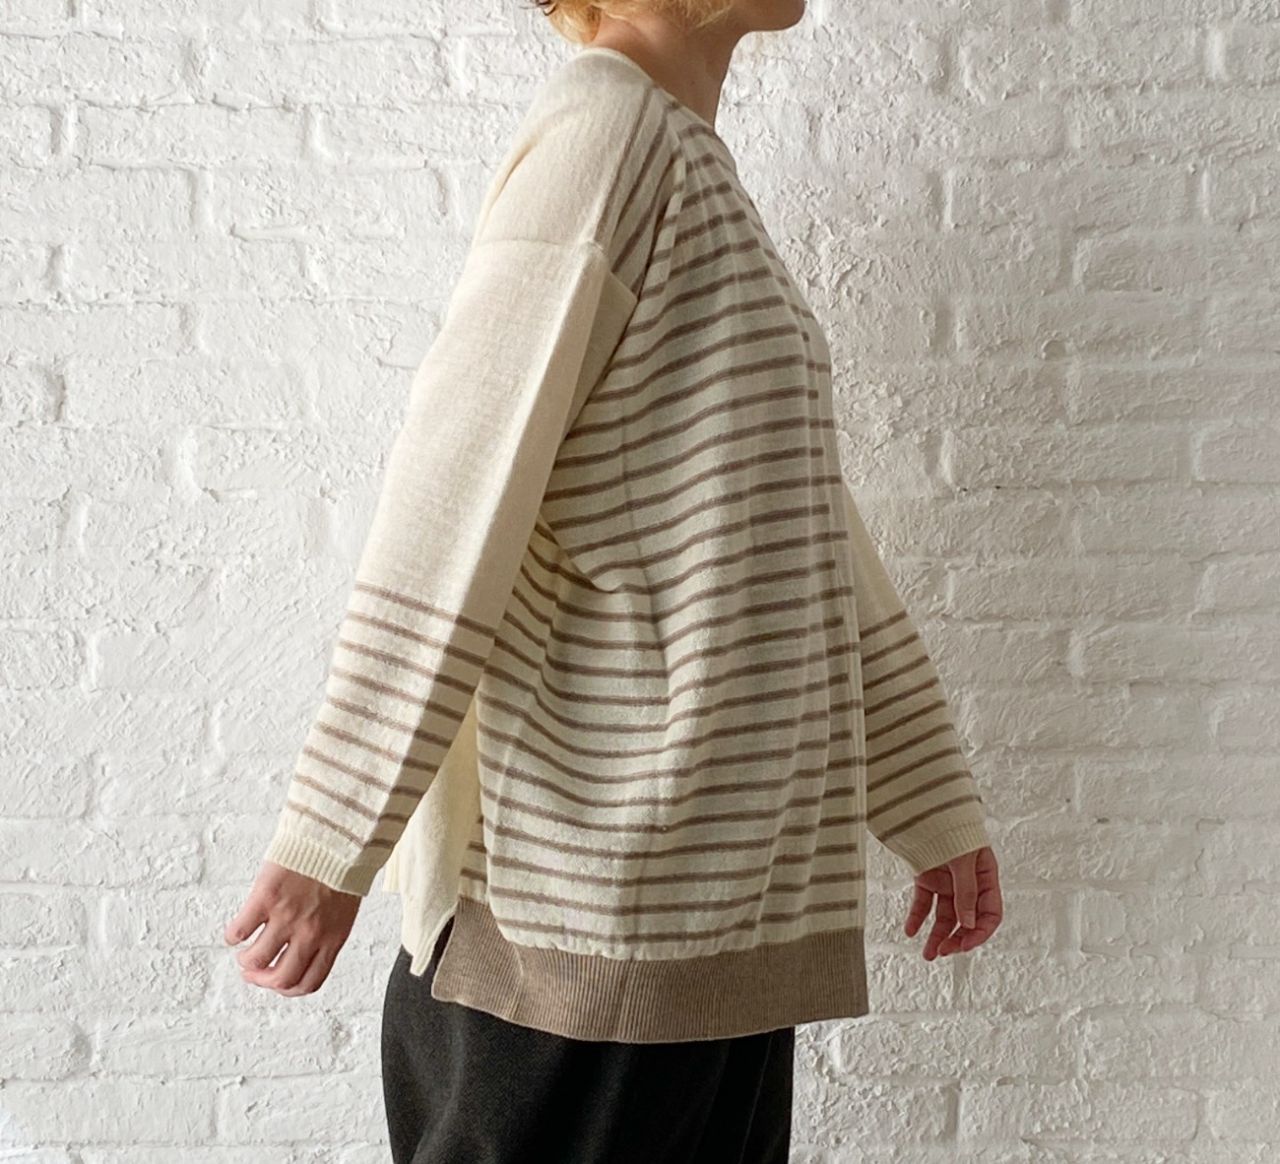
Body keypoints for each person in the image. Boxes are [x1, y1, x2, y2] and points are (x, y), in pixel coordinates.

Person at [224, 2, 1005, 1160]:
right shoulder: (605, 136)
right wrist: (335, 832)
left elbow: (797, 521)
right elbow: (453, 489)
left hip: (715, 910)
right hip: (587, 927)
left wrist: (923, 791)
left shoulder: (683, 161)